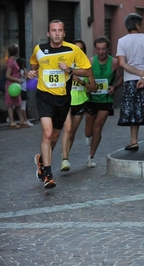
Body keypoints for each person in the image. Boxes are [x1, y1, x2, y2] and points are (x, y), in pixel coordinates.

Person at [28, 20, 93, 188]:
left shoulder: (73, 50)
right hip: (44, 96)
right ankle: (48, 175)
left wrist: (70, 70)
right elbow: (34, 65)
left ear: (64, 34)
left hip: (63, 99)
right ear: (48, 33)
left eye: (60, 30)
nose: (57, 33)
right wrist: (32, 73)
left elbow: (87, 70)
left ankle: (41, 159)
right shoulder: (39, 50)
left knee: (55, 137)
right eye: (53, 30)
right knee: (47, 133)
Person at [117, 13, 144, 151]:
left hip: (130, 80)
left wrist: (137, 73)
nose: (143, 27)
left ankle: (134, 141)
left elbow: (122, 63)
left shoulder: (121, 41)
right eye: (142, 24)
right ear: (137, 25)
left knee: (132, 111)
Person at [85, 36, 122, 168]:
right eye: (98, 49)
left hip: (106, 99)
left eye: (104, 49)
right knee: (88, 131)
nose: (101, 52)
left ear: (108, 49)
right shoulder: (89, 62)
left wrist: (115, 87)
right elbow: (85, 78)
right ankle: (89, 136)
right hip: (91, 99)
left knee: (98, 127)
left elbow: (120, 78)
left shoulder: (114, 62)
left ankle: (91, 157)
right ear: (95, 49)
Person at [60, 39, 96, 171]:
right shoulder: (64, 65)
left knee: (72, 133)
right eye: (75, 49)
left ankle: (66, 156)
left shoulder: (85, 67)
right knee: (67, 129)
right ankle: (65, 159)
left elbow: (94, 88)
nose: (77, 51)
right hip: (66, 101)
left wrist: (81, 81)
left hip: (80, 102)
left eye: (80, 49)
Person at [5, 44, 27, 129]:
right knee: (10, 104)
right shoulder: (11, 62)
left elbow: (15, 72)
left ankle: (21, 120)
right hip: (11, 85)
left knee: (18, 102)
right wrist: (17, 80)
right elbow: (8, 75)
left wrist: (21, 75)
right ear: (16, 52)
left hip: (16, 85)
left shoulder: (14, 61)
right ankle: (12, 122)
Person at [16, 57, 34, 127]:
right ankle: (25, 120)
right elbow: (28, 77)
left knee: (19, 106)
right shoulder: (21, 71)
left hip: (20, 89)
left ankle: (22, 120)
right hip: (22, 89)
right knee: (23, 106)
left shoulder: (18, 71)